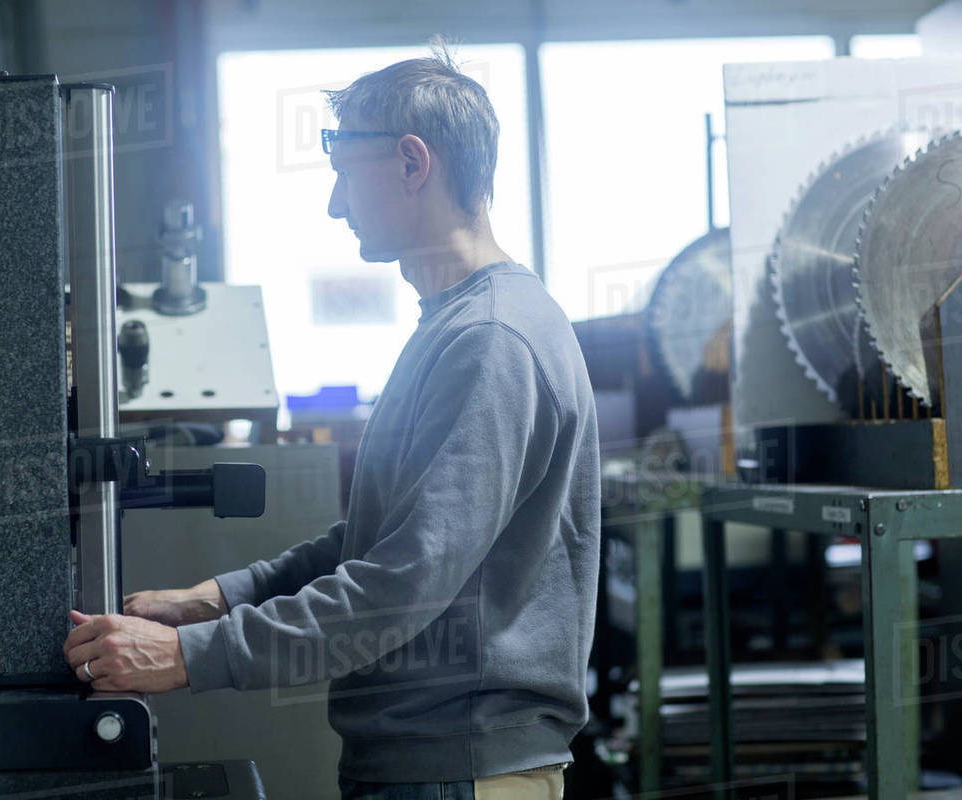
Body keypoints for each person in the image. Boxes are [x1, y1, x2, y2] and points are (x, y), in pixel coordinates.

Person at [63, 42, 600, 800]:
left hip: (462, 769)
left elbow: (401, 587)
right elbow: (376, 541)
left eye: (346, 173)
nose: (336, 204)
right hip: (431, 764)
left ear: (414, 164)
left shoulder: (490, 341)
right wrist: (218, 597)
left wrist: (188, 655)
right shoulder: (455, 326)